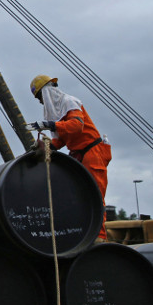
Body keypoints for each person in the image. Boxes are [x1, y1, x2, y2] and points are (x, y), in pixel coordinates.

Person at [29, 74, 112, 240]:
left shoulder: (69, 102)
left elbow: (76, 127)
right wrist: (45, 147)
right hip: (78, 156)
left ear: (47, 92)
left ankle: (99, 238)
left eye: (40, 97)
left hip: (92, 153)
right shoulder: (59, 111)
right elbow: (62, 139)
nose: (40, 102)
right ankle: (84, 234)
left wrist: (50, 125)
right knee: (79, 195)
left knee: (95, 195)